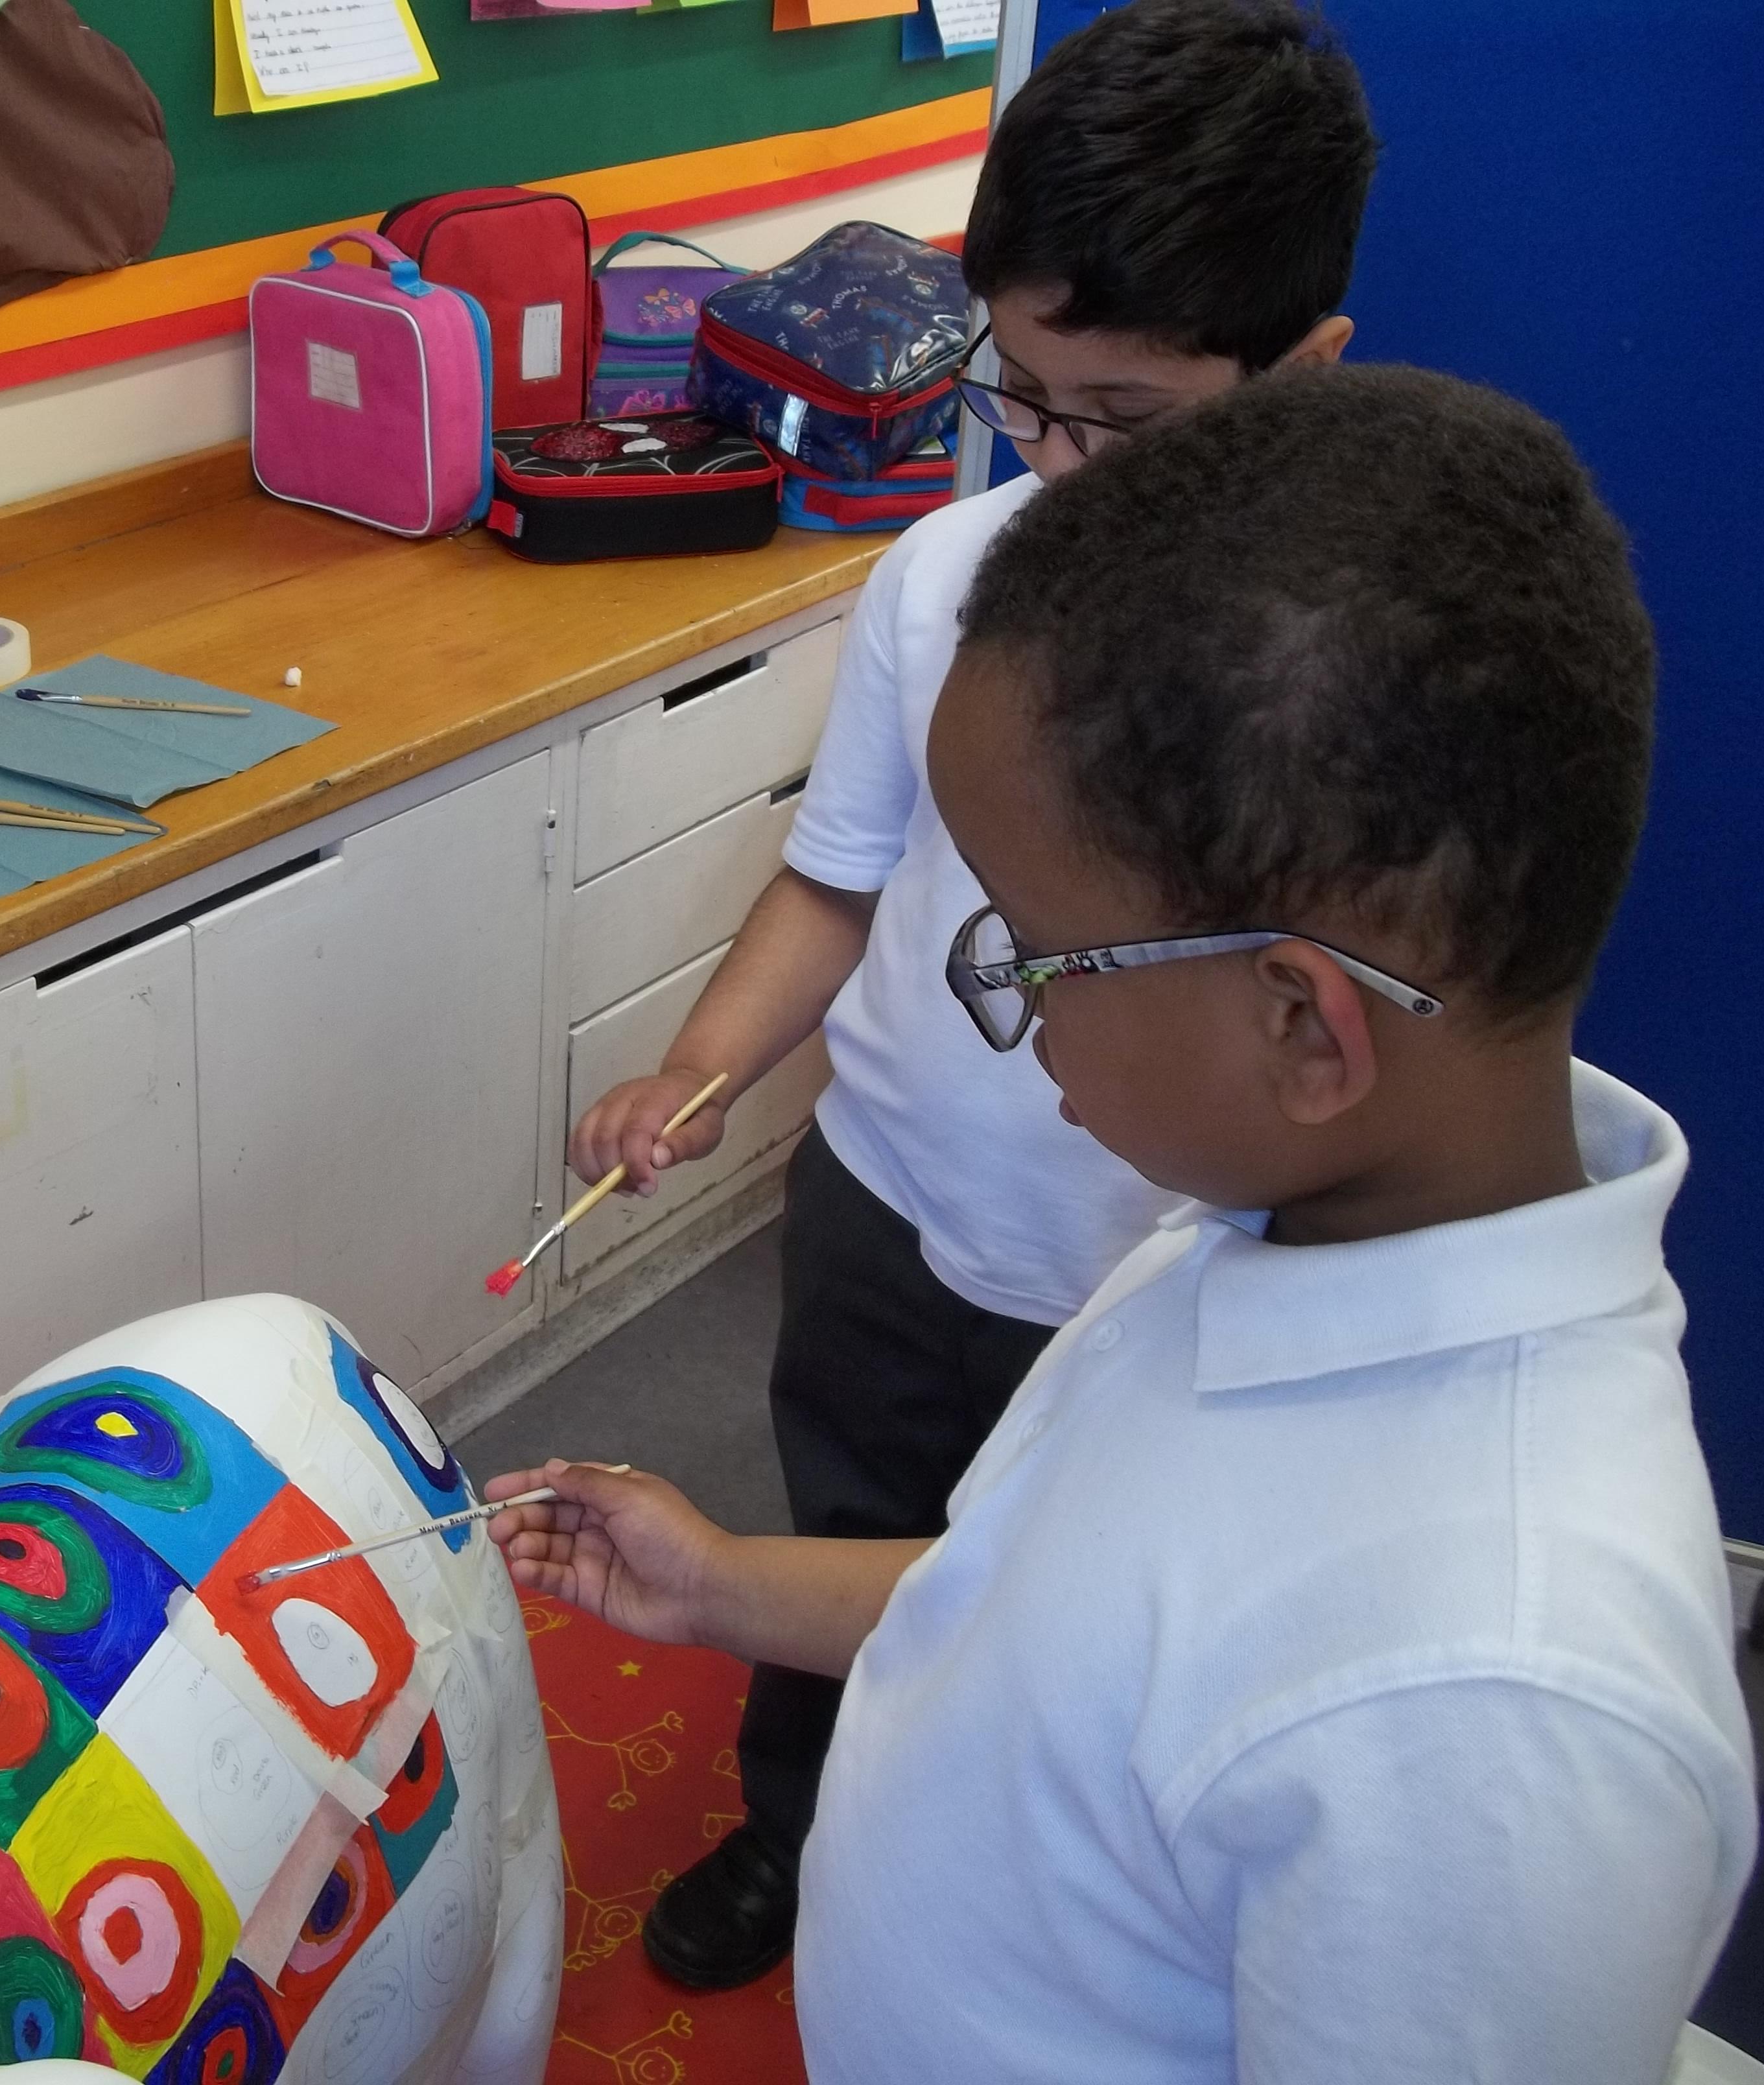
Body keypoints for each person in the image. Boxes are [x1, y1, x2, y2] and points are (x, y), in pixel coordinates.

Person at [494, 366, 1758, 2082]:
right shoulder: (1257, 1226)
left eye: (1031, 954)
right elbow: (1050, 1606)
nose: (1001, 1004)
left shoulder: (1493, 1719)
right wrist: (726, 1586)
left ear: (1306, 1027)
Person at [566, 0, 1382, 1986]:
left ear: (1302, 372)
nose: (1060, 461)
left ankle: (1007, 1898)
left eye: (1129, 415)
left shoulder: (1344, 664)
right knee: (832, 1541)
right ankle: (798, 1830)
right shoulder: (934, 580)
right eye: (1021, 397)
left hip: (1145, 1277)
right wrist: (703, 1064)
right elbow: (837, 881)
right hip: (884, 1207)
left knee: (1068, 1622)